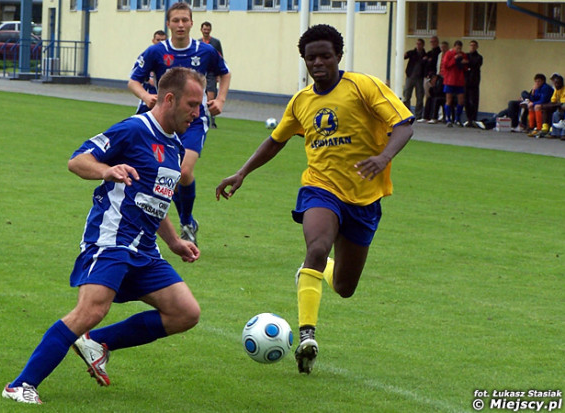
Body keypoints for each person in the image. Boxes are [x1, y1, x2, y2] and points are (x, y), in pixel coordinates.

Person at [215, 24, 414, 375]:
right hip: (320, 189)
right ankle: (307, 334)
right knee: (318, 246)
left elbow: (404, 125)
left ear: (338, 56)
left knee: (345, 288)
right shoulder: (301, 101)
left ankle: (315, 273)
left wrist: (383, 158)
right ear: (304, 61)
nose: (318, 62)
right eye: (311, 58)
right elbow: (276, 140)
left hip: (365, 198)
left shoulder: (363, 86)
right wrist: (242, 172)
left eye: (325, 55)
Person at [2, 67, 204, 405]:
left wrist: (174, 242)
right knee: (90, 310)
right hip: (111, 239)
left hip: (145, 249)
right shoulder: (133, 129)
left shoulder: (174, 144)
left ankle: (97, 341)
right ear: (169, 99)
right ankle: (20, 385)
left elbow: (155, 201)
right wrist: (106, 170)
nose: (197, 113)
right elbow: (77, 160)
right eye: (192, 104)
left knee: (186, 312)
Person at [128, 2, 231, 246]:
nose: (181, 25)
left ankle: (186, 221)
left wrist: (221, 99)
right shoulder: (155, 52)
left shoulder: (204, 51)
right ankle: (165, 223)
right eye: (176, 21)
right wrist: (147, 97)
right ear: (168, 24)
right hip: (161, 121)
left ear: (192, 23)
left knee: (183, 172)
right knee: (164, 173)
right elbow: (133, 81)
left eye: (185, 20)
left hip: (194, 120)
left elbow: (224, 73)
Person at [199, 21, 224, 129]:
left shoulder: (215, 42)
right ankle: (199, 117)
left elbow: (220, 58)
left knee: (210, 97)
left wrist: (218, 74)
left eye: (208, 29)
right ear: (201, 30)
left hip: (211, 73)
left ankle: (212, 121)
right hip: (200, 72)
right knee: (199, 95)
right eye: (204, 29)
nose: (206, 31)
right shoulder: (198, 42)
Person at [136, 30, 167, 115]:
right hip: (149, 94)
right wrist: (148, 78)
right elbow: (136, 74)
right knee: (142, 120)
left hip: (165, 96)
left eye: (163, 40)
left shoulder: (170, 57)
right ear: (153, 41)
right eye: (158, 40)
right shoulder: (146, 55)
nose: (160, 42)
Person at [441, 40, 468, 127]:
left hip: (459, 81)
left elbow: (465, 67)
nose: (458, 50)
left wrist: (465, 63)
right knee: (449, 100)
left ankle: (457, 118)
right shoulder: (449, 54)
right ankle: (448, 118)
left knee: (461, 100)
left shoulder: (463, 55)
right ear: (454, 47)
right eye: (457, 48)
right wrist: (454, 59)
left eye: (460, 48)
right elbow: (445, 65)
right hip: (450, 80)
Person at [403, 38, 426, 120]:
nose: (418, 45)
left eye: (420, 44)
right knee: (407, 95)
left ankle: (418, 115)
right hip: (410, 76)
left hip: (419, 78)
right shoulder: (412, 53)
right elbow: (405, 56)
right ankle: (406, 113)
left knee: (419, 96)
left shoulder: (425, 54)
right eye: (417, 44)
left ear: (423, 45)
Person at [464, 40, 483, 127]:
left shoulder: (479, 57)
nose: (472, 47)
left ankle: (473, 118)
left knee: (473, 101)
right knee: (466, 101)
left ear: (477, 47)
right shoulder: (466, 55)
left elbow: (475, 64)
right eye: (471, 45)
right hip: (466, 81)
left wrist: (468, 63)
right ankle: (469, 119)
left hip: (474, 82)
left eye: (474, 45)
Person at [542, 73, 565, 138]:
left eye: (558, 83)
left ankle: (563, 133)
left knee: (559, 111)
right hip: (560, 108)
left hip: (563, 108)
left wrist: (555, 105)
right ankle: (555, 133)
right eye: (555, 83)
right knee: (555, 113)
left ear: (562, 83)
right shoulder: (556, 90)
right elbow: (553, 101)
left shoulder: (564, 90)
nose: (556, 85)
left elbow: (562, 103)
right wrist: (546, 105)